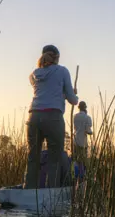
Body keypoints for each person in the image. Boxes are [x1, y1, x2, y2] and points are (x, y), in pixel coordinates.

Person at [25, 44, 78, 189]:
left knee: (32, 158)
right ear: (57, 58)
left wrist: (61, 92)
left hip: (34, 117)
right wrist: (72, 93)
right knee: (54, 159)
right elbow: (73, 100)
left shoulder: (34, 74)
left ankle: (28, 191)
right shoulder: (62, 71)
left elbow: (45, 90)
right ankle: (51, 193)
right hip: (53, 117)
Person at [72, 100, 92, 181]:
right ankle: (83, 178)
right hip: (83, 143)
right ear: (85, 108)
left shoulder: (75, 116)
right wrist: (91, 133)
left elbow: (76, 128)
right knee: (84, 161)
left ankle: (76, 177)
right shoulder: (87, 117)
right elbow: (88, 131)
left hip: (75, 141)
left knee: (76, 160)